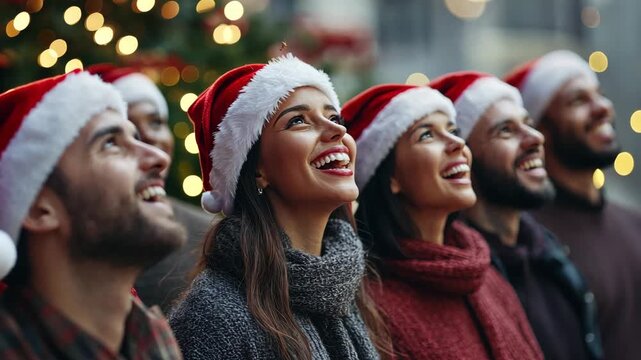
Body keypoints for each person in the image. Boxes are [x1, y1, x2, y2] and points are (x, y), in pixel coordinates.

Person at [168, 54, 387, 360]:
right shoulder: (214, 316)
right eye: (298, 120)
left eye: (334, 118)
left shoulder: (343, 285)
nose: (336, 131)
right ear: (257, 169)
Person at [342, 83, 543, 360]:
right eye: (426, 135)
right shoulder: (371, 305)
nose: (458, 143)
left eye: (453, 131)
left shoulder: (485, 276)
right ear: (390, 176)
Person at [0, 70, 185, 359]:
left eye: (135, 137)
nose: (158, 157)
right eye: (110, 143)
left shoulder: (153, 336)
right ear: (39, 209)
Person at [430, 71, 602, 360]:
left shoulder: (550, 253)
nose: (535, 138)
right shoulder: (458, 277)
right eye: (506, 131)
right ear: (462, 155)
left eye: (529, 124)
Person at [505, 50, 641, 360]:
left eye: (600, 95)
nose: (602, 108)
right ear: (539, 131)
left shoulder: (635, 223)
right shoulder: (528, 241)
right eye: (578, 101)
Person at [88, 64, 212, 311]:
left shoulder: (209, 235)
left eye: (156, 123)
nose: (149, 137)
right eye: (128, 130)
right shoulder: (79, 242)